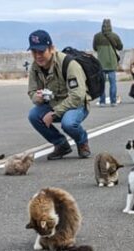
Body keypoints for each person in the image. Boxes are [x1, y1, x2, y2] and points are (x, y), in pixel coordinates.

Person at [26, 29, 91, 159]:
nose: (38, 55)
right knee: (33, 115)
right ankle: (61, 144)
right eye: (34, 52)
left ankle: (82, 141)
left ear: (51, 49)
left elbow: (77, 96)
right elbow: (31, 91)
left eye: (41, 51)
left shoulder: (69, 64)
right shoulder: (35, 67)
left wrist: (55, 113)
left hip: (76, 105)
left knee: (68, 123)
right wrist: (36, 98)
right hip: (53, 103)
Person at [92, 19, 124, 107]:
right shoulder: (114, 36)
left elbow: (95, 48)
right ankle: (113, 101)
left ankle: (102, 102)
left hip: (101, 64)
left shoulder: (97, 36)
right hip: (112, 63)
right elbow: (120, 47)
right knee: (112, 83)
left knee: (102, 84)